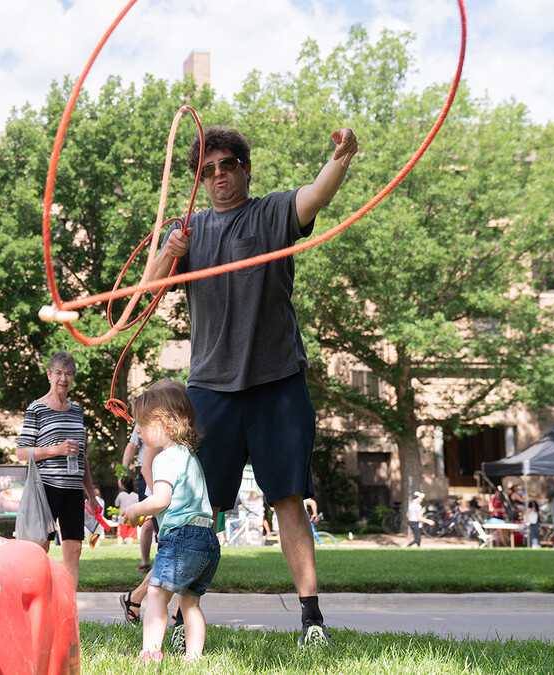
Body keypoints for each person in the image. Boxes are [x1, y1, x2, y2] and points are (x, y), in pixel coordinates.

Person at [142, 124, 359, 647]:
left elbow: (316, 194)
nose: (218, 176)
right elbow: (145, 290)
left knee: (286, 499)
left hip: (277, 381)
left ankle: (311, 620)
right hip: (212, 388)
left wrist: (342, 157)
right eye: (207, 169)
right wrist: (170, 251)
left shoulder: (269, 214)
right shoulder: (188, 230)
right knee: (195, 508)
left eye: (227, 166)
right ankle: (177, 616)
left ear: (244, 169)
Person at [121, 380, 220, 663]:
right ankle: (194, 656)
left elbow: (161, 499)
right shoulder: (189, 458)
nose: (137, 430)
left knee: (156, 595)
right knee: (190, 604)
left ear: (165, 424)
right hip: (207, 540)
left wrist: (136, 509)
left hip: (181, 538)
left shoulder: (163, 459)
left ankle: (151, 652)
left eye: (142, 423)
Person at [15, 350, 99, 587]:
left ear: (73, 378)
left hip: (73, 489)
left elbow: (81, 456)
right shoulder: (37, 409)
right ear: (49, 375)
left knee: (74, 550)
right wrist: (56, 450)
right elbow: (21, 452)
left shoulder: (77, 411)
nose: (64, 379)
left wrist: (91, 496)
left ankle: (70, 606)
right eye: (59, 373)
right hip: (46, 488)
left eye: (69, 374)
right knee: (40, 547)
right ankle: (38, 597)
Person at [120, 426, 158, 572]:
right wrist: (123, 472)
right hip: (146, 471)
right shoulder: (144, 416)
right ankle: (145, 562)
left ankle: (165, 561)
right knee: (148, 522)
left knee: (160, 520)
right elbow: (131, 446)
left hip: (164, 468)